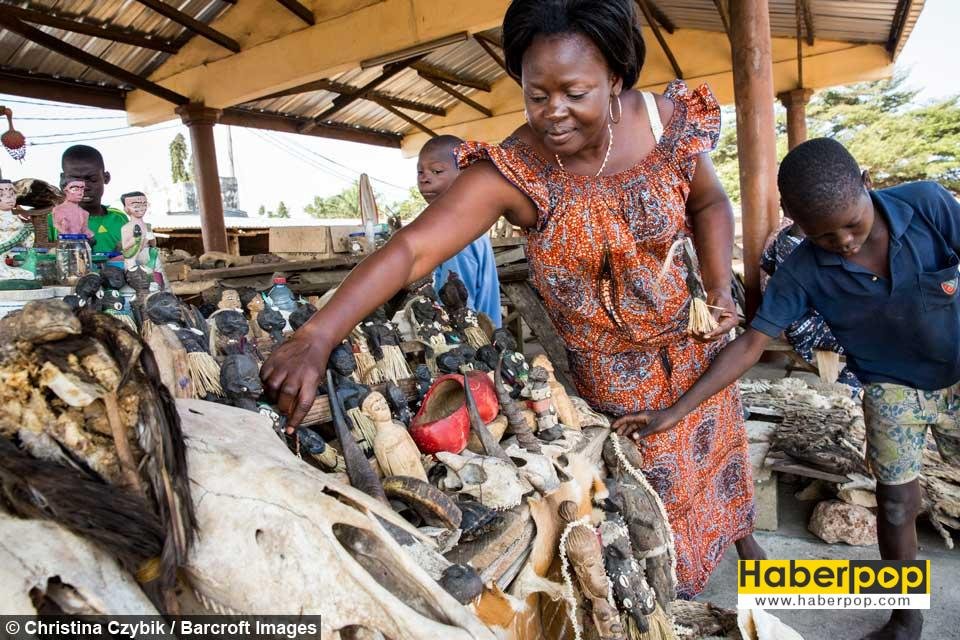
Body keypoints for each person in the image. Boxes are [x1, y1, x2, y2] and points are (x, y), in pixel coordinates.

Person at [262, 0, 763, 598]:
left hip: (698, 347)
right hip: (616, 381)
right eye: (536, 94)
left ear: (615, 79)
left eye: (575, 93)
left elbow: (708, 202)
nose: (554, 113)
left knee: (721, 471)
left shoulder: (666, 123)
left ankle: (746, 548)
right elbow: (412, 251)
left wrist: (714, 286)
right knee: (648, 519)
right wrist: (317, 335)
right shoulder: (515, 171)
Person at [615, 137, 960, 640]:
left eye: (852, 224)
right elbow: (751, 343)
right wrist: (675, 410)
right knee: (894, 504)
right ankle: (906, 617)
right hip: (893, 389)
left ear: (867, 183)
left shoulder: (926, 203)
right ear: (796, 222)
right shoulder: (800, 272)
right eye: (822, 236)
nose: (842, 241)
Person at [761, 220, 861, 391]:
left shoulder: (782, 237)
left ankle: (840, 392)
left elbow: (767, 264)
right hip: (808, 328)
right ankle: (841, 393)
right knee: (869, 346)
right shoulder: (811, 248)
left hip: (793, 321)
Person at [418, 134, 502, 327]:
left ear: (465, 175)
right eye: (420, 172)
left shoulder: (455, 232)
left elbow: (460, 306)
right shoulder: (463, 221)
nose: (425, 178)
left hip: (472, 340)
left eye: (437, 171)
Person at [48, 145, 128, 253]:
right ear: (63, 180)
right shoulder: (51, 220)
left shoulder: (119, 219)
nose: (83, 187)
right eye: (75, 180)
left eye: (92, 179)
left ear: (106, 178)